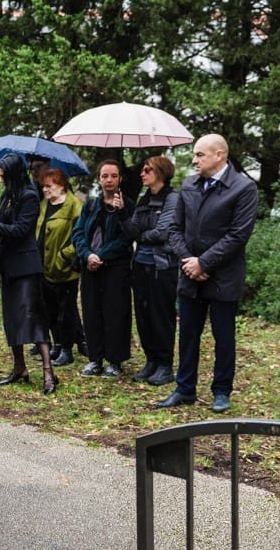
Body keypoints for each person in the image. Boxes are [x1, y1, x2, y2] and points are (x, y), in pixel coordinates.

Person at [157, 134, 259, 413]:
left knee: (223, 337)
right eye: (195, 155)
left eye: (200, 154)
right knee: (188, 334)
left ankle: (222, 391)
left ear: (219, 155)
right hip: (190, 274)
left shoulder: (243, 188)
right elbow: (175, 229)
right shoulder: (189, 184)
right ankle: (184, 388)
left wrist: (204, 263)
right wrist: (189, 261)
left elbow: (238, 236)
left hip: (223, 278)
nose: (194, 160)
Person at [0, 153, 59, 394]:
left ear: (12, 174)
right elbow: (4, 221)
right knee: (12, 318)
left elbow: (20, 229)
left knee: (32, 315)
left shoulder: (30, 196)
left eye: (3, 175)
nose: (0, 179)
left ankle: (49, 372)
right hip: (8, 266)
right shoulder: (8, 195)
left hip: (27, 267)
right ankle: (19, 367)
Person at [116, 156, 179, 386]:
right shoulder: (143, 200)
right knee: (143, 316)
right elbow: (131, 230)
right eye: (143, 169)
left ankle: (165, 365)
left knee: (161, 315)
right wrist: (122, 213)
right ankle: (151, 360)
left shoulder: (172, 199)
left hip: (162, 267)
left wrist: (141, 237)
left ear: (160, 173)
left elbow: (163, 232)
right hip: (140, 265)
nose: (142, 173)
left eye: (147, 170)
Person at [71, 160, 135, 378]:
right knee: (92, 312)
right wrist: (88, 254)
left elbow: (126, 238)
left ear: (120, 179)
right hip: (90, 267)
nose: (109, 180)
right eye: (105, 176)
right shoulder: (90, 205)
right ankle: (95, 359)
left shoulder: (127, 205)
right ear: (99, 179)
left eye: (113, 176)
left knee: (116, 313)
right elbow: (78, 233)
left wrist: (102, 255)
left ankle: (115, 360)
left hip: (115, 269)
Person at [36, 168, 83, 367]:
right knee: (50, 310)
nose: (45, 190)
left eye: (49, 186)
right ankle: (56, 345)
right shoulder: (44, 205)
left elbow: (81, 235)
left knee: (66, 311)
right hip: (44, 268)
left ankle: (67, 349)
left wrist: (65, 255)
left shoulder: (74, 206)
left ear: (62, 185)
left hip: (64, 269)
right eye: (43, 186)